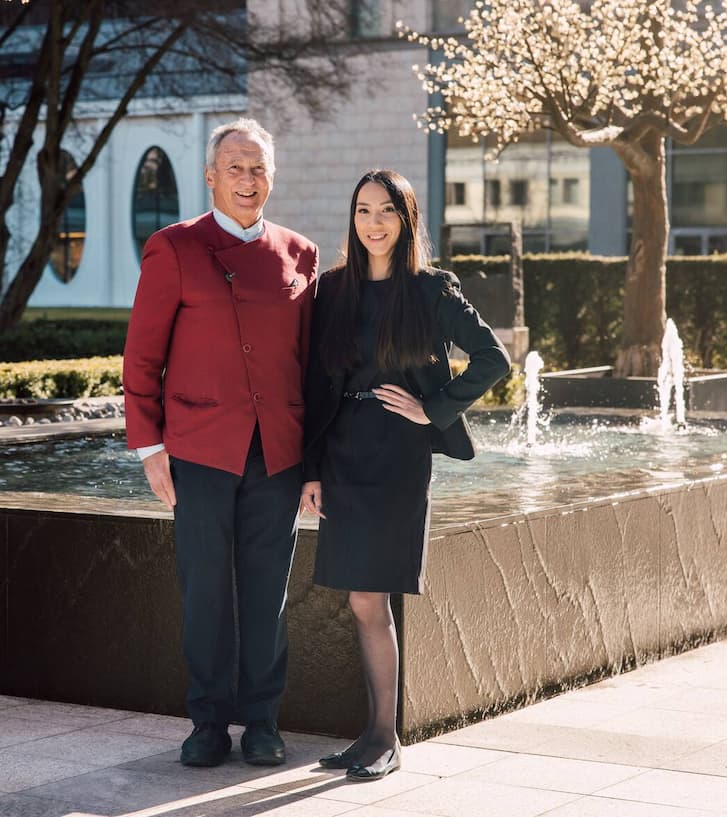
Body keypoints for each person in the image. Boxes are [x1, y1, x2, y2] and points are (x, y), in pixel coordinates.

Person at [300, 169, 510, 782]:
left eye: (386, 210)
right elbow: (314, 387)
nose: (373, 222)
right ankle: (371, 733)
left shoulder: (431, 291)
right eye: (363, 210)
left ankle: (385, 738)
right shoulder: (332, 290)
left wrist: (434, 408)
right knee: (361, 598)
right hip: (341, 454)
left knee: (371, 595)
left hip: (397, 454)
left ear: (407, 218)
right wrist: (310, 470)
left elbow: (493, 358)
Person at [123, 118, 318, 768]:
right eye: (234, 167)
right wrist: (149, 446)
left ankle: (262, 721)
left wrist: (314, 463)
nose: (247, 179)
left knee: (267, 594)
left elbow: (310, 367)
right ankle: (207, 721)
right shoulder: (173, 247)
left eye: (257, 167)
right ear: (210, 176)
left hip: (279, 455)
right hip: (200, 450)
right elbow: (142, 355)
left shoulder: (300, 254)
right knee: (204, 590)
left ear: (272, 175)